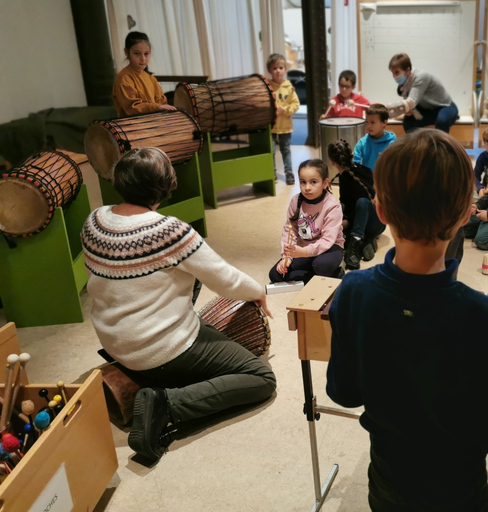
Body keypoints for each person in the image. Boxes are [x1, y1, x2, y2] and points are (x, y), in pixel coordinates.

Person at [326, 129, 488, 512]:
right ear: (466, 214)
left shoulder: (352, 293)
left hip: (387, 486)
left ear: (380, 212)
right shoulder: (487, 318)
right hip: (460, 493)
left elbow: (344, 393)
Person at [81, 147, 276, 461]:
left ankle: (148, 378)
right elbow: (224, 278)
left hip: (114, 342)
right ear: (164, 186)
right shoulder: (170, 232)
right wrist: (257, 290)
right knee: (261, 378)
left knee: (186, 272)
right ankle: (166, 405)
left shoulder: (95, 221)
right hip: (161, 350)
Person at [268, 159, 345, 283]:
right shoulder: (295, 201)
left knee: (322, 265)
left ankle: (329, 272)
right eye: (303, 182)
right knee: (276, 275)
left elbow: (327, 240)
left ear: (325, 183)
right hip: (304, 248)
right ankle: (323, 277)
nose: (307, 188)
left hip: (329, 247)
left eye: (313, 182)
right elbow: (290, 229)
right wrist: (287, 256)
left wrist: (303, 252)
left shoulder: (333, 205)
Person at [328, 140, 384, 270]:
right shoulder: (365, 170)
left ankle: (355, 247)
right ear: (351, 156)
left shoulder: (347, 179)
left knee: (362, 203)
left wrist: (348, 221)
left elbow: (361, 206)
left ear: (332, 162)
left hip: (374, 223)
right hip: (376, 222)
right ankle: (366, 242)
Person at [388, 53, 459, 133]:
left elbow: (410, 102)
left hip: (445, 106)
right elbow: (409, 108)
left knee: (442, 121)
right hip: (428, 110)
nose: (394, 76)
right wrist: (407, 111)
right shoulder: (405, 80)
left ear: (407, 70)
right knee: (408, 122)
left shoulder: (421, 77)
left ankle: (442, 145)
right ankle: (415, 145)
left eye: (397, 72)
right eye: (393, 73)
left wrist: (384, 112)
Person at [112, 31, 176, 117]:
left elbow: (162, 102)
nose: (143, 59)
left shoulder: (151, 78)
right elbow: (132, 108)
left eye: (146, 54)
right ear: (127, 52)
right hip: (133, 126)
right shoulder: (124, 78)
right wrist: (158, 107)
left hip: (153, 122)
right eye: (137, 53)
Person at [267, 53, 300, 185]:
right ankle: (272, 172)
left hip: (285, 126)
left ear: (285, 69)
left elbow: (296, 104)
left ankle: (289, 172)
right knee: (271, 151)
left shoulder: (289, 87)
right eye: (274, 68)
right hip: (271, 126)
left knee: (286, 150)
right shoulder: (267, 87)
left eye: (281, 67)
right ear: (269, 70)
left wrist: (285, 110)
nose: (278, 71)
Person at [353, 104, 396, 171]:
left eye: (372, 122)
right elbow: (355, 163)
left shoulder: (392, 144)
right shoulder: (362, 142)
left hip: (384, 180)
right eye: (367, 122)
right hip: (366, 180)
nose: (368, 126)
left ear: (384, 122)